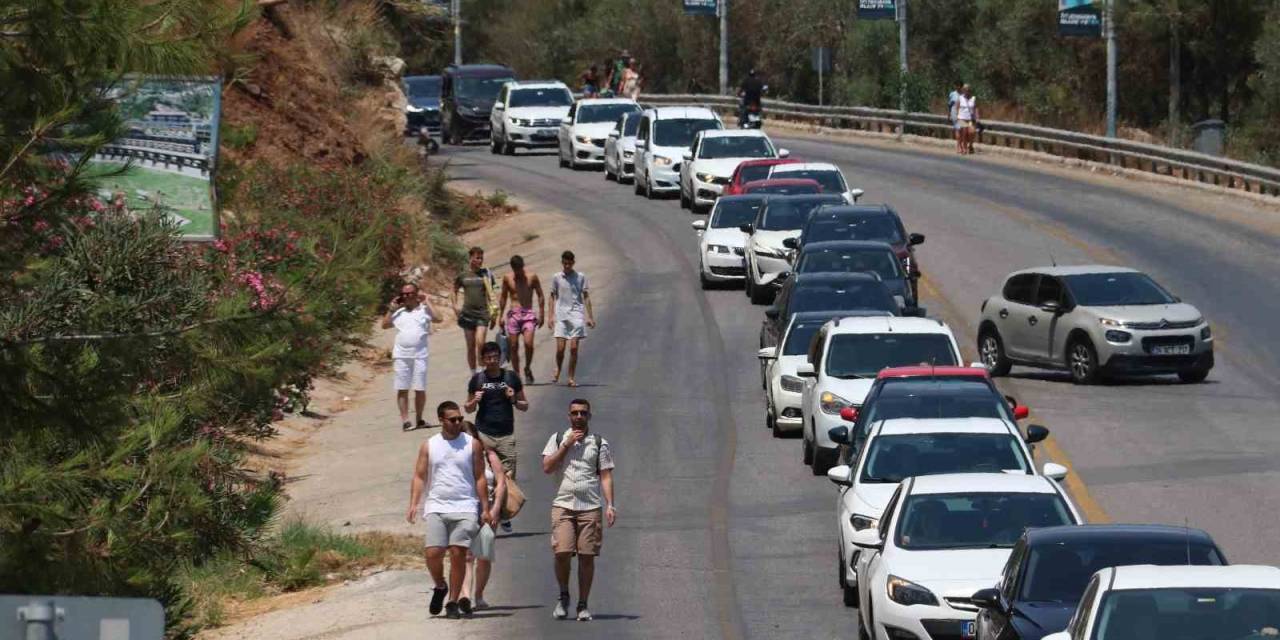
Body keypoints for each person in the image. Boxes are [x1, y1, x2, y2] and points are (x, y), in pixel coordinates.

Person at [406, 401, 492, 619]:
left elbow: (480, 477)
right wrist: (414, 503)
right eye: (452, 419)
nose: (457, 422)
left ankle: (452, 601)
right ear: (441, 420)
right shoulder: (430, 445)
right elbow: (419, 476)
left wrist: (485, 507)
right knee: (433, 553)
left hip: (465, 505)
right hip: (437, 505)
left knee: (457, 553)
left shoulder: (472, 444)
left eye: (460, 419)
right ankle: (440, 585)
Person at [541, 398, 616, 622]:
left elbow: (605, 475)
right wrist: (566, 444)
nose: (579, 417)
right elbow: (547, 467)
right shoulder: (557, 438)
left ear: (589, 416)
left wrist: (610, 504)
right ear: (569, 416)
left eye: (583, 413)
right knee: (562, 552)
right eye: (575, 413)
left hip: (590, 506)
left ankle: (583, 604)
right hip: (563, 504)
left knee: (586, 557)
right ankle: (564, 595)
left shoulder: (600, 443)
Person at [465, 341, 528, 531]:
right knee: (485, 475)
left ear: (500, 358)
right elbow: (468, 408)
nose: (492, 361)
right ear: (483, 360)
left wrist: (513, 399)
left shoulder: (511, 377)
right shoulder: (477, 380)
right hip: (483, 433)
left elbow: (525, 405)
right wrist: (474, 401)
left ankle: (502, 512)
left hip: (506, 435)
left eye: (495, 357)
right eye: (488, 358)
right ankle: (487, 511)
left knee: (508, 476)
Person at [382, 282, 443, 431]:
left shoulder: (424, 310)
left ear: (416, 294)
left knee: (419, 388)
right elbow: (384, 325)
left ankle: (419, 419)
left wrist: (427, 300)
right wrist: (391, 308)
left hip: (419, 355)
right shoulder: (399, 312)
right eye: (404, 294)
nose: (407, 296)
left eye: (410, 293)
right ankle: (405, 421)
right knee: (402, 388)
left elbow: (438, 318)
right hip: (401, 356)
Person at [459, 420, 507, 610]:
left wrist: (495, 509)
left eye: (471, 438)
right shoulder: (456, 457)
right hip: (466, 509)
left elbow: (501, 482)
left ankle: (478, 595)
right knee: (468, 556)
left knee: (484, 555)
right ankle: (465, 596)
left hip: (488, 510)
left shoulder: (489, 456)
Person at [548, 250, 595, 387]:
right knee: (560, 349)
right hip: (561, 315)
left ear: (573, 263)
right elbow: (551, 296)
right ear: (562, 263)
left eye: (569, 263)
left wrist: (590, 317)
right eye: (565, 263)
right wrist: (550, 316)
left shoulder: (580, 277)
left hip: (576, 315)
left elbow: (586, 297)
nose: (567, 266)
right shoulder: (557, 277)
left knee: (574, 348)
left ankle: (570, 377)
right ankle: (558, 368)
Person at [498, 255, 546, 384]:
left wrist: (542, 314)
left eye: (520, 269)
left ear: (523, 266)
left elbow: (540, 295)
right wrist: (500, 316)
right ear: (513, 268)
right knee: (513, 346)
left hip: (528, 315)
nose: (518, 272)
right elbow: (503, 297)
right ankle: (517, 375)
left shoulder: (532, 277)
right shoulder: (507, 278)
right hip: (513, 315)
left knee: (528, 344)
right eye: (516, 270)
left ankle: (527, 367)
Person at [453, 247, 498, 374]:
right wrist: (455, 305)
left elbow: (492, 294)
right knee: (470, 346)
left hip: (482, 314)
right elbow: (453, 290)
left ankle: (483, 370)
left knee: (480, 342)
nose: (480, 260)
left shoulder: (486, 274)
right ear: (470, 258)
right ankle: (473, 373)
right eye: (477, 258)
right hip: (467, 315)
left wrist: (494, 315)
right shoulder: (463, 275)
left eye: (481, 258)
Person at [954, 84, 980, 155]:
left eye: (968, 90)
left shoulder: (973, 98)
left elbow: (976, 108)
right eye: (965, 90)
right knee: (964, 134)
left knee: (972, 132)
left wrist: (977, 117)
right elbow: (957, 107)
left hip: (970, 119)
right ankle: (964, 148)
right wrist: (957, 117)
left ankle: (970, 145)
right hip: (962, 118)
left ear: (970, 90)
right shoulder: (960, 98)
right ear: (963, 90)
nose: (966, 91)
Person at [947, 81, 963, 153]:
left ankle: (961, 145)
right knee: (957, 129)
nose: (958, 87)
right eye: (957, 85)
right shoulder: (952, 94)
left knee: (961, 129)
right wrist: (948, 115)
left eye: (960, 86)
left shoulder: (963, 94)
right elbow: (949, 105)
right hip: (954, 112)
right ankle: (958, 146)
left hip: (962, 113)